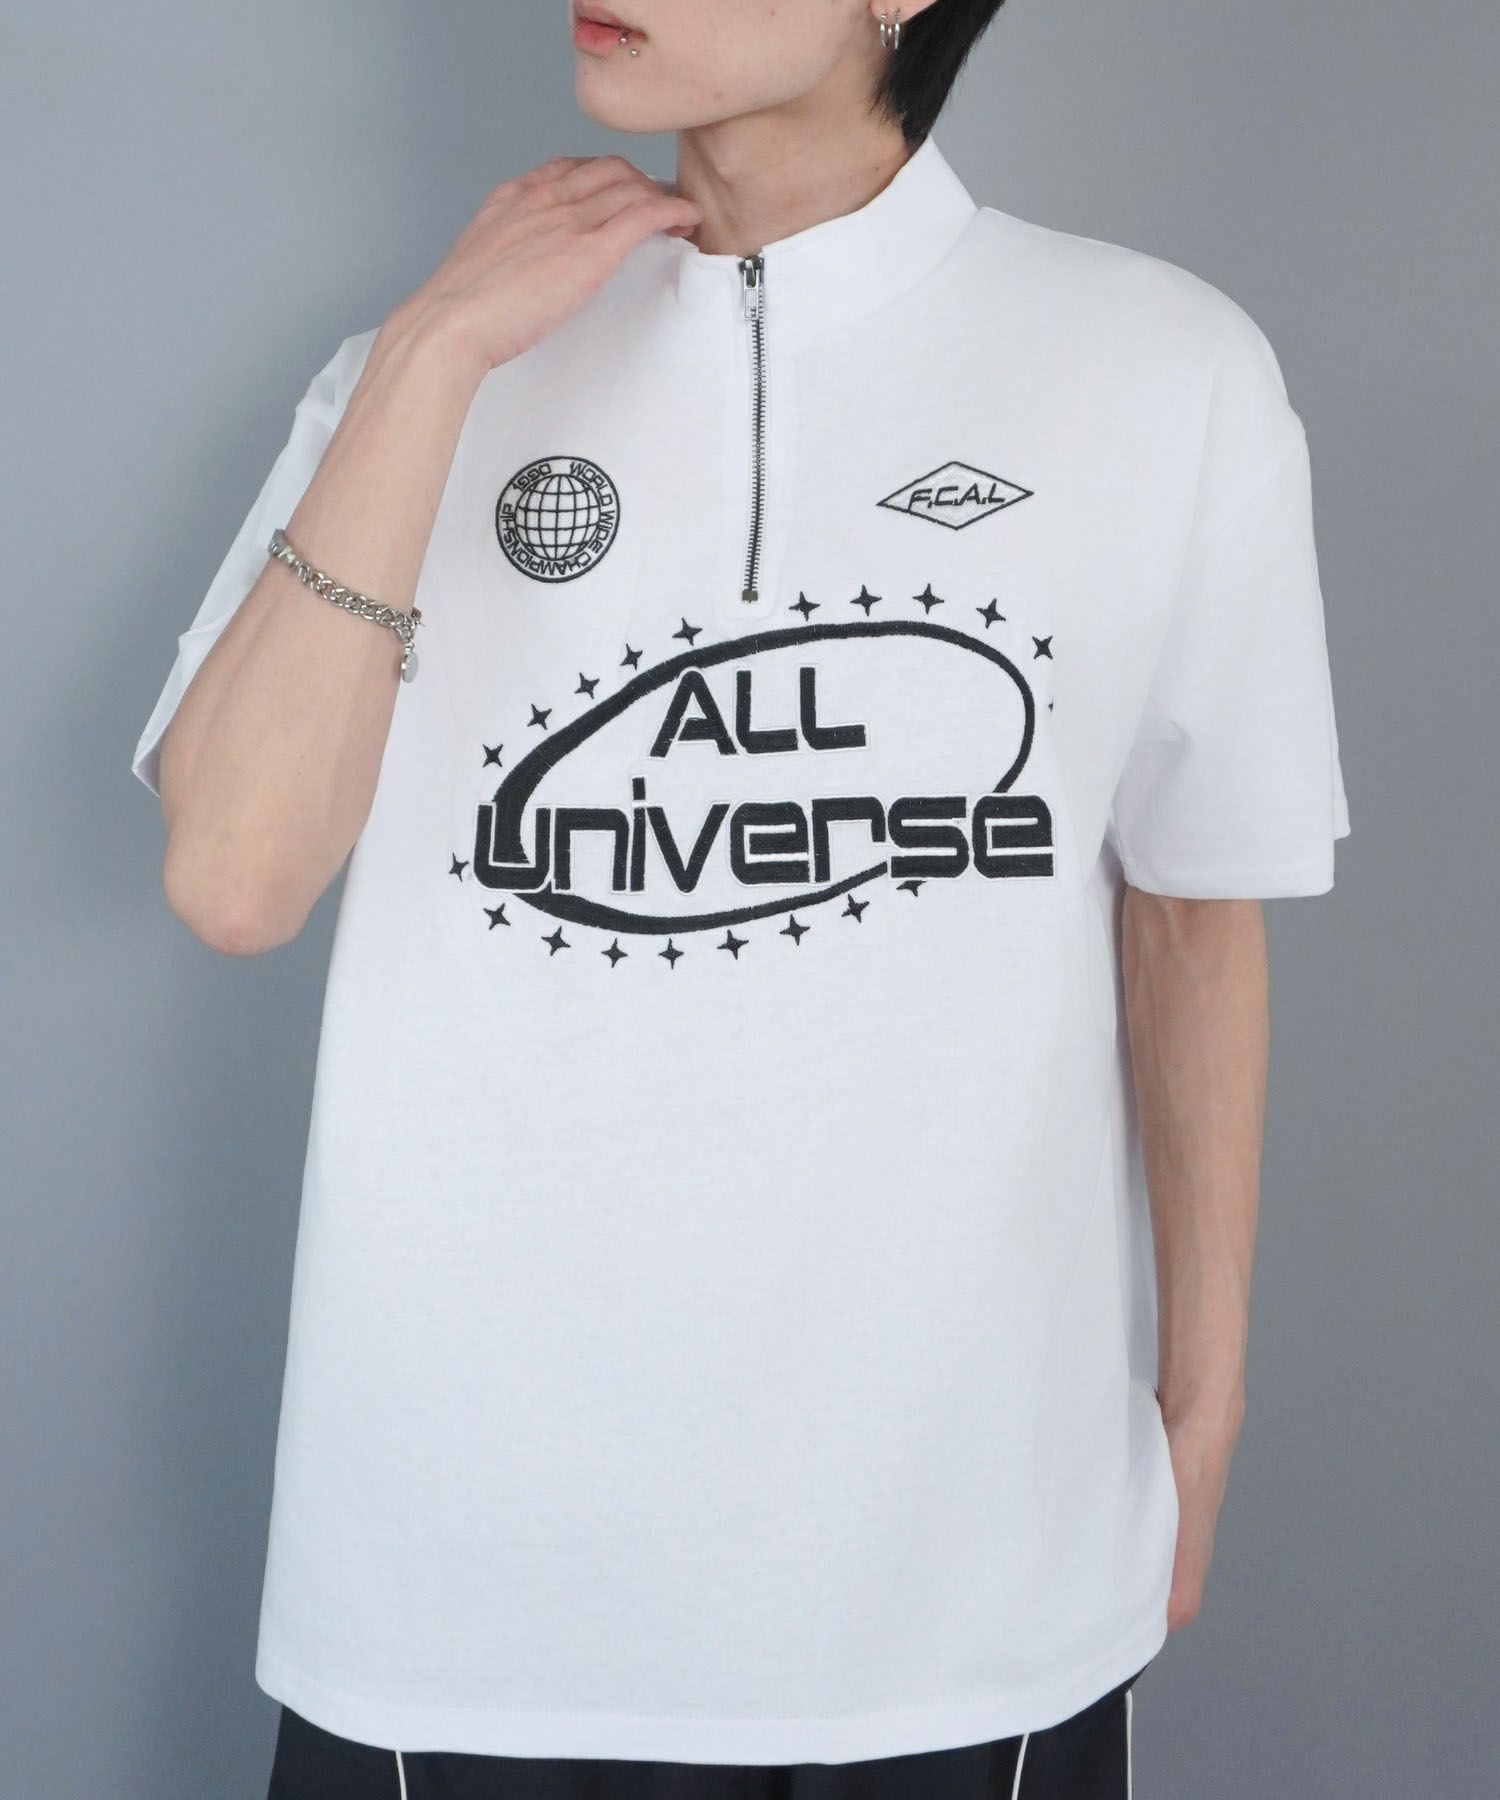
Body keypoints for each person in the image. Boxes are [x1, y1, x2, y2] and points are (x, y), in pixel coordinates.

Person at [130, 2, 1350, 1795]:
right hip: (461, 1610)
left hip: (967, 1598)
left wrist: (1208, 1398)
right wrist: (433, 355)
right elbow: (235, 877)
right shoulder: (428, 369)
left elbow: (1193, 911)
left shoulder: (1165, 370)